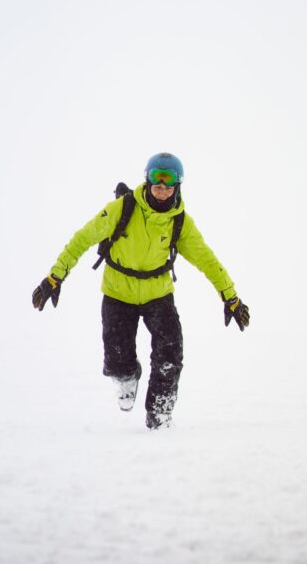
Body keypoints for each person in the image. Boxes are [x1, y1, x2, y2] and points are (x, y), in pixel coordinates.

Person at [32, 153, 250, 429]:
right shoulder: (122, 208)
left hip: (158, 295)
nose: (162, 190)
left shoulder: (179, 222)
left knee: (170, 355)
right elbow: (83, 238)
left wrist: (230, 296)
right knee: (117, 360)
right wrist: (55, 276)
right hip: (118, 294)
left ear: (177, 186)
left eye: (168, 185)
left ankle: (159, 412)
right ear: (147, 181)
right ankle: (126, 377)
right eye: (156, 183)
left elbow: (207, 259)